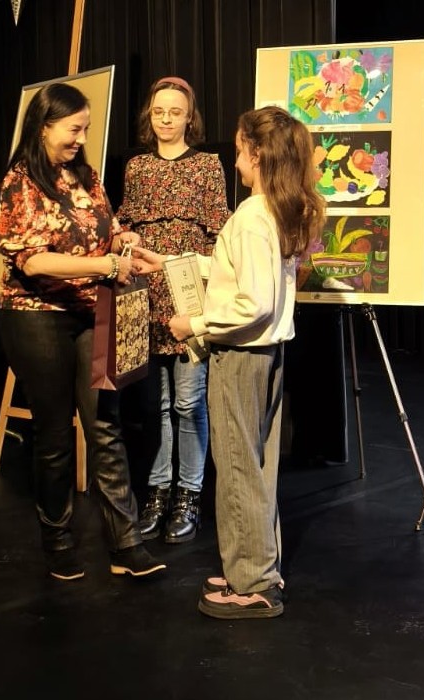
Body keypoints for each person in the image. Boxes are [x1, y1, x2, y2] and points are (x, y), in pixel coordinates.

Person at [133, 105, 325, 618]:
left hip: (241, 356)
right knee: (257, 466)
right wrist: (169, 262)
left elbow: (252, 303)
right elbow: (234, 270)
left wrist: (193, 325)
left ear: (257, 153)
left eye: (239, 150)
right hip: (267, 355)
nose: (234, 160)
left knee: (239, 467)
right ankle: (255, 567)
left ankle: (252, 585)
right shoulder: (277, 211)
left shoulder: (251, 216)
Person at [0, 82, 166, 581]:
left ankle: (125, 543)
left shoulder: (87, 176)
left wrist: (123, 242)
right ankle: (58, 541)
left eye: (85, 129)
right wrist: (104, 265)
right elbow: (32, 260)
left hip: (94, 313)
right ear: (44, 125)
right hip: (36, 317)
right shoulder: (19, 182)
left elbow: (102, 234)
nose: (81, 138)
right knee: (53, 435)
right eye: (74, 129)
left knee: (104, 428)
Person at [117, 77, 229, 544]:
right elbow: (124, 221)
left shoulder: (207, 166)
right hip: (147, 294)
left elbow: (220, 232)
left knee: (188, 401)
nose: (166, 119)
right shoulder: (137, 167)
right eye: (159, 111)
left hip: (187, 294)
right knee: (157, 404)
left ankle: (189, 493)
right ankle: (159, 490)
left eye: (175, 112)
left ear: (189, 117)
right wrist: (125, 236)